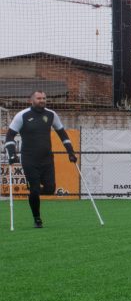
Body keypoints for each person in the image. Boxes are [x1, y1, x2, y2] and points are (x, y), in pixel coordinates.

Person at [4, 91, 77, 228]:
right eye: (39, 98)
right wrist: (12, 154)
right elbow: (9, 136)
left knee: (50, 189)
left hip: (47, 159)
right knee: (35, 190)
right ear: (31, 100)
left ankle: (33, 191)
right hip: (29, 159)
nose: (42, 100)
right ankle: (37, 218)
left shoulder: (51, 114)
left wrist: (70, 151)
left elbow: (62, 134)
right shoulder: (22, 115)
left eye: (44, 98)